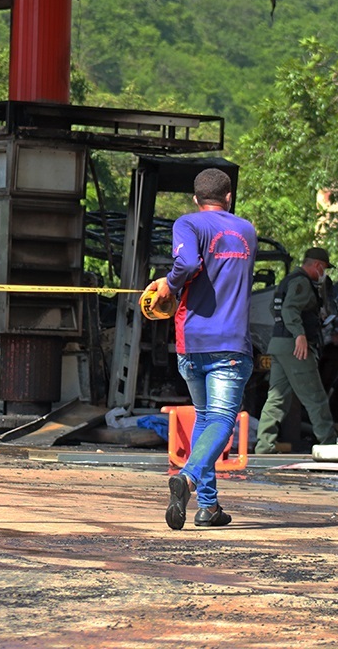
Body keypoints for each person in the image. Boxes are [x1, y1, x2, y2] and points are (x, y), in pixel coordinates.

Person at [143, 168, 257, 530]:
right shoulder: (247, 231)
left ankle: (208, 506)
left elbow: (188, 262)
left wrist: (168, 284)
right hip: (230, 344)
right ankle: (189, 479)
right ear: (229, 197)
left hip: (191, 343)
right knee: (222, 419)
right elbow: (196, 265)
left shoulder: (188, 224)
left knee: (206, 417)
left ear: (195, 199)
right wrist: (176, 278)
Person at [253, 247, 338, 454]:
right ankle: (328, 444)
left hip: (279, 344)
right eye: (324, 268)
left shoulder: (287, 281)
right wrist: (299, 334)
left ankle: (264, 446)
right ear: (317, 265)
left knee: (277, 397)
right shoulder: (301, 282)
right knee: (315, 396)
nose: (324, 273)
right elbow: (289, 309)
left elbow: (275, 308)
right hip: (295, 347)